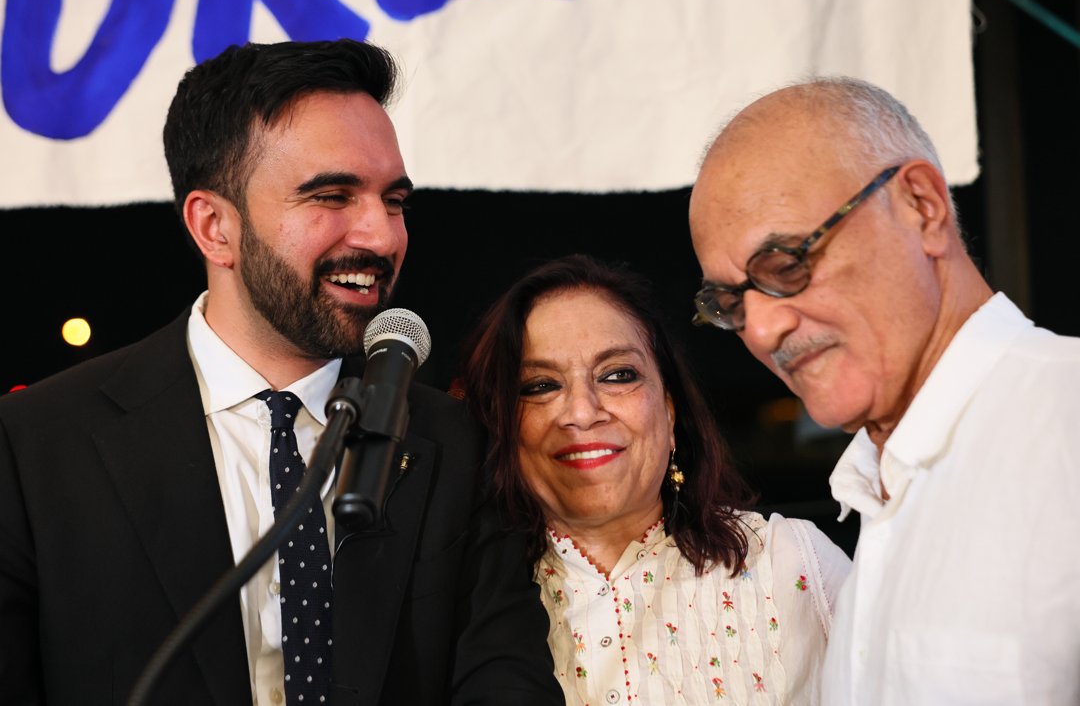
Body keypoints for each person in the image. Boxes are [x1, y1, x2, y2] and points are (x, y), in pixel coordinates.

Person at [0, 39, 562, 706]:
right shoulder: (36, 445)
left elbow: (507, 682)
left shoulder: (457, 444)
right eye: (332, 195)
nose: (381, 236)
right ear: (214, 227)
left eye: (394, 200)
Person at [687, 75, 1080, 705]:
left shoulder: (1064, 418)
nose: (761, 329)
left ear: (922, 207)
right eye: (731, 302)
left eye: (787, 265)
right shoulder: (876, 495)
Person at [459, 253, 852, 705]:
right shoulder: (466, 604)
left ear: (669, 410)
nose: (582, 412)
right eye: (540, 386)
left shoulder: (790, 563)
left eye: (617, 376)